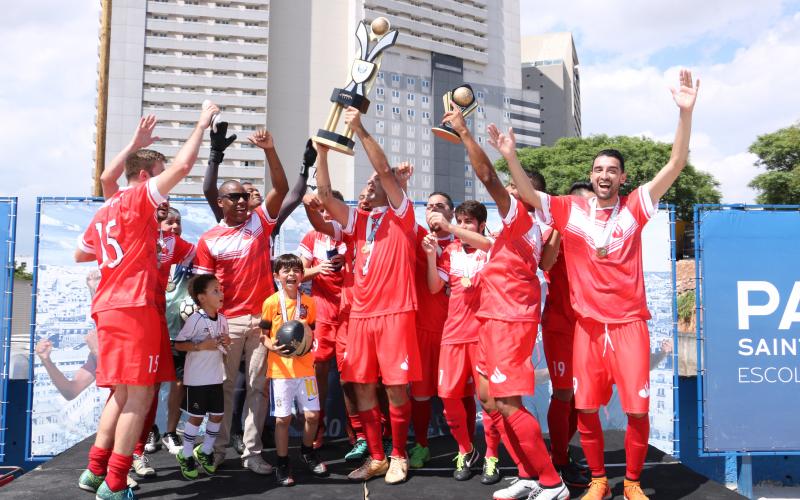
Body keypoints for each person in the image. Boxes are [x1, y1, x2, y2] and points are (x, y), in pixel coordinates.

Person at [490, 69, 699, 500]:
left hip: (628, 326)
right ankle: (601, 480)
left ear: (623, 178)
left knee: (637, 410)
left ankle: (635, 483)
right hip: (587, 328)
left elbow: (676, 163)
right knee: (584, 408)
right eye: (599, 169)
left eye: (613, 170)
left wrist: (684, 113)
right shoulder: (570, 211)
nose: (605, 175)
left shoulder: (636, 207)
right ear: (592, 174)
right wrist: (511, 155)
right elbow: (529, 196)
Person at [74, 102, 218, 499]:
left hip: (110, 306)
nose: (163, 186)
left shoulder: (107, 208)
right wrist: (201, 124)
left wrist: (120, 252)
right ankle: (115, 483)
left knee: (122, 394)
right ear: (143, 177)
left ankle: (94, 470)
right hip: (134, 306)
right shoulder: (137, 201)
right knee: (138, 396)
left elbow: (82, 252)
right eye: (157, 176)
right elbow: (183, 168)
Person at [442, 103, 568, 500]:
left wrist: (465, 132)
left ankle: (552, 482)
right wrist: (448, 228)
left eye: (517, 189)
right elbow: (485, 243)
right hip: (494, 318)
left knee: (508, 404)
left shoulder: (524, 219)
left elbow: (486, 177)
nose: (509, 192)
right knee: (491, 400)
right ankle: (530, 475)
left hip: (510, 321)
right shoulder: (520, 232)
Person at [313, 107, 421, 484]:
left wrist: (359, 129)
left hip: (395, 311)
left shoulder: (402, 214)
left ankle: (398, 455)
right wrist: (322, 153)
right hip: (360, 315)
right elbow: (324, 195)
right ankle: (375, 456)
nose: (370, 186)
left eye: (375, 184)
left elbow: (387, 172)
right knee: (361, 384)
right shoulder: (358, 221)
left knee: (395, 385)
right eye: (366, 185)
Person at [194, 128, 289, 474]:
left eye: (242, 197)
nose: (239, 201)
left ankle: (252, 454)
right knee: (222, 390)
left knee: (257, 390)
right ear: (220, 202)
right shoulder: (209, 239)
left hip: (261, 322)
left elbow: (281, 188)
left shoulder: (261, 222)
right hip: (227, 323)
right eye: (231, 197)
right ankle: (216, 450)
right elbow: (202, 288)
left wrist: (270, 150)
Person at [423, 201, 501, 483]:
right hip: (453, 335)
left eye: (469, 222)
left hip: (483, 337)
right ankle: (466, 451)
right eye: (460, 221)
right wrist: (432, 256)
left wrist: (449, 226)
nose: (463, 227)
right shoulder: (451, 252)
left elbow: (488, 245)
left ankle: (492, 455)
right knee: (448, 397)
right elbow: (434, 287)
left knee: (488, 401)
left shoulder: (490, 246)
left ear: (480, 225)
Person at [539, 181, 594, 489]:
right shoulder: (554, 233)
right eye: (580, 205)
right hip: (560, 325)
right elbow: (545, 262)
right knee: (563, 393)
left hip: (588, 326)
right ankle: (559, 458)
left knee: (579, 395)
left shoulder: (595, 237)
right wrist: (561, 225)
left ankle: (563, 452)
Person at [260, 253, 327, 486]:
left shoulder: (309, 302)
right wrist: (274, 348)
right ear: (276, 275)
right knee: (283, 420)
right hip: (281, 372)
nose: (291, 274)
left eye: (296, 270)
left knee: (312, 415)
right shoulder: (270, 303)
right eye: (286, 270)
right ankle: (282, 461)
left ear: (302, 275)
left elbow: (312, 332)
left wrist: (307, 344)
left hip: (306, 368)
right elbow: (263, 336)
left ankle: (307, 452)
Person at [407, 192, 455, 469]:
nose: (434, 210)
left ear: (451, 212)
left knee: (456, 395)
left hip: (454, 332)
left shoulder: (463, 241)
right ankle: (422, 445)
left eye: (440, 206)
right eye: (429, 206)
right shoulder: (418, 238)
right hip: (423, 329)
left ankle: (467, 448)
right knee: (421, 395)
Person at [298, 190, 348, 449]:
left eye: (331, 209)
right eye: (323, 210)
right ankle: (317, 425)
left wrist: (346, 262)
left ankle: (357, 433)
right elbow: (297, 273)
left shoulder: (351, 234)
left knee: (352, 376)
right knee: (319, 371)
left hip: (351, 311)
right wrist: (317, 269)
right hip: (323, 311)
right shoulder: (312, 236)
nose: (327, 214)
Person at [172, 274, 230, 480]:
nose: (221, 293)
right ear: (202, 298)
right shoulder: (196, 319)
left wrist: (226, 340)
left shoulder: (223, 319)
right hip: (197, 378)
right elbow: (179, 344)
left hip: (215, 377)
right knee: (196, 417)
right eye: (215, 290)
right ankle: (186, 454)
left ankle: (205, 451)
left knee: (217, 415)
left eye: (221, 289)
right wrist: (200, 346)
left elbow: (223, 345)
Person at [158, 207, 197, 456]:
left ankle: (170, 431)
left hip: (181, 335)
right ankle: (149, 430)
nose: (174, 227)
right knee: (150, 386)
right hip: (155, 331)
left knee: (180, 384)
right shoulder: (153, 253)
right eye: (169, 223)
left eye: (178, 223)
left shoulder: (189, 256)